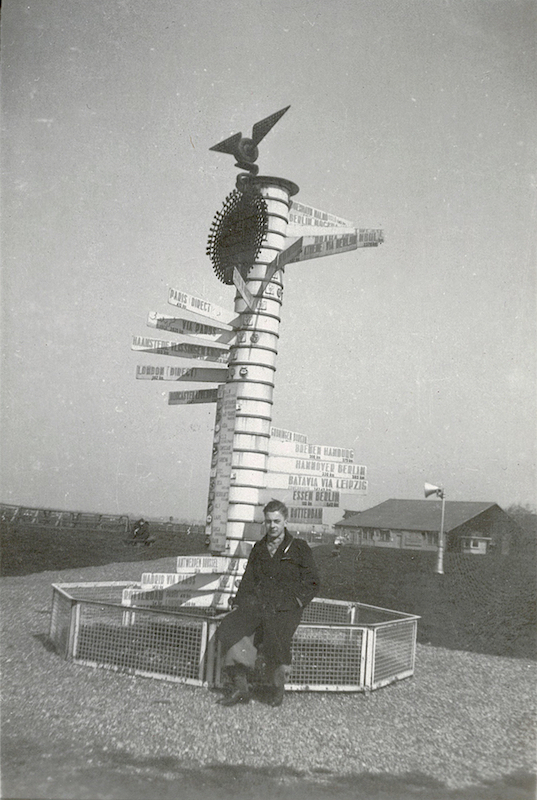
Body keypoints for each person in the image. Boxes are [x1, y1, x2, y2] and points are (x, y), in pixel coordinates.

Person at [216, 500, 320, 707]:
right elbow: (248, 580)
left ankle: (276, 689)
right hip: (259, 605)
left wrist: (296, 602)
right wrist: (239, 602)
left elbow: (312, 582)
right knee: (230, 627)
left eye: (277, 521)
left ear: (285, 521)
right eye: (268, 521)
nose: (272, 526)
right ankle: (240, 688)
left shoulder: (298, 548)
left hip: (285, 608)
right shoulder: (259, 548)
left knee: (276, 638)